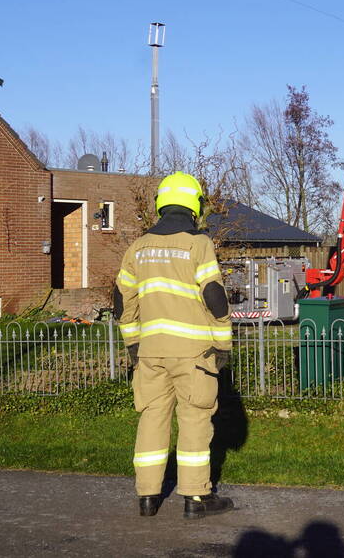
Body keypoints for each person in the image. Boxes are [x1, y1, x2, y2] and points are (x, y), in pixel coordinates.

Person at [114, 171, 234, 519]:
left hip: (151, 352)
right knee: (194, 419)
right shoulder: (198, 244)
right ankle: (196, 498)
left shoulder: (138, 248)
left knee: (152, 418)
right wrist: (223, 345)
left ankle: (147, 496)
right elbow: (215, 297)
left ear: (160, 204)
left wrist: (133, 343)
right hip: (194, 353)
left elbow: (122, 300)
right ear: (195, 204)